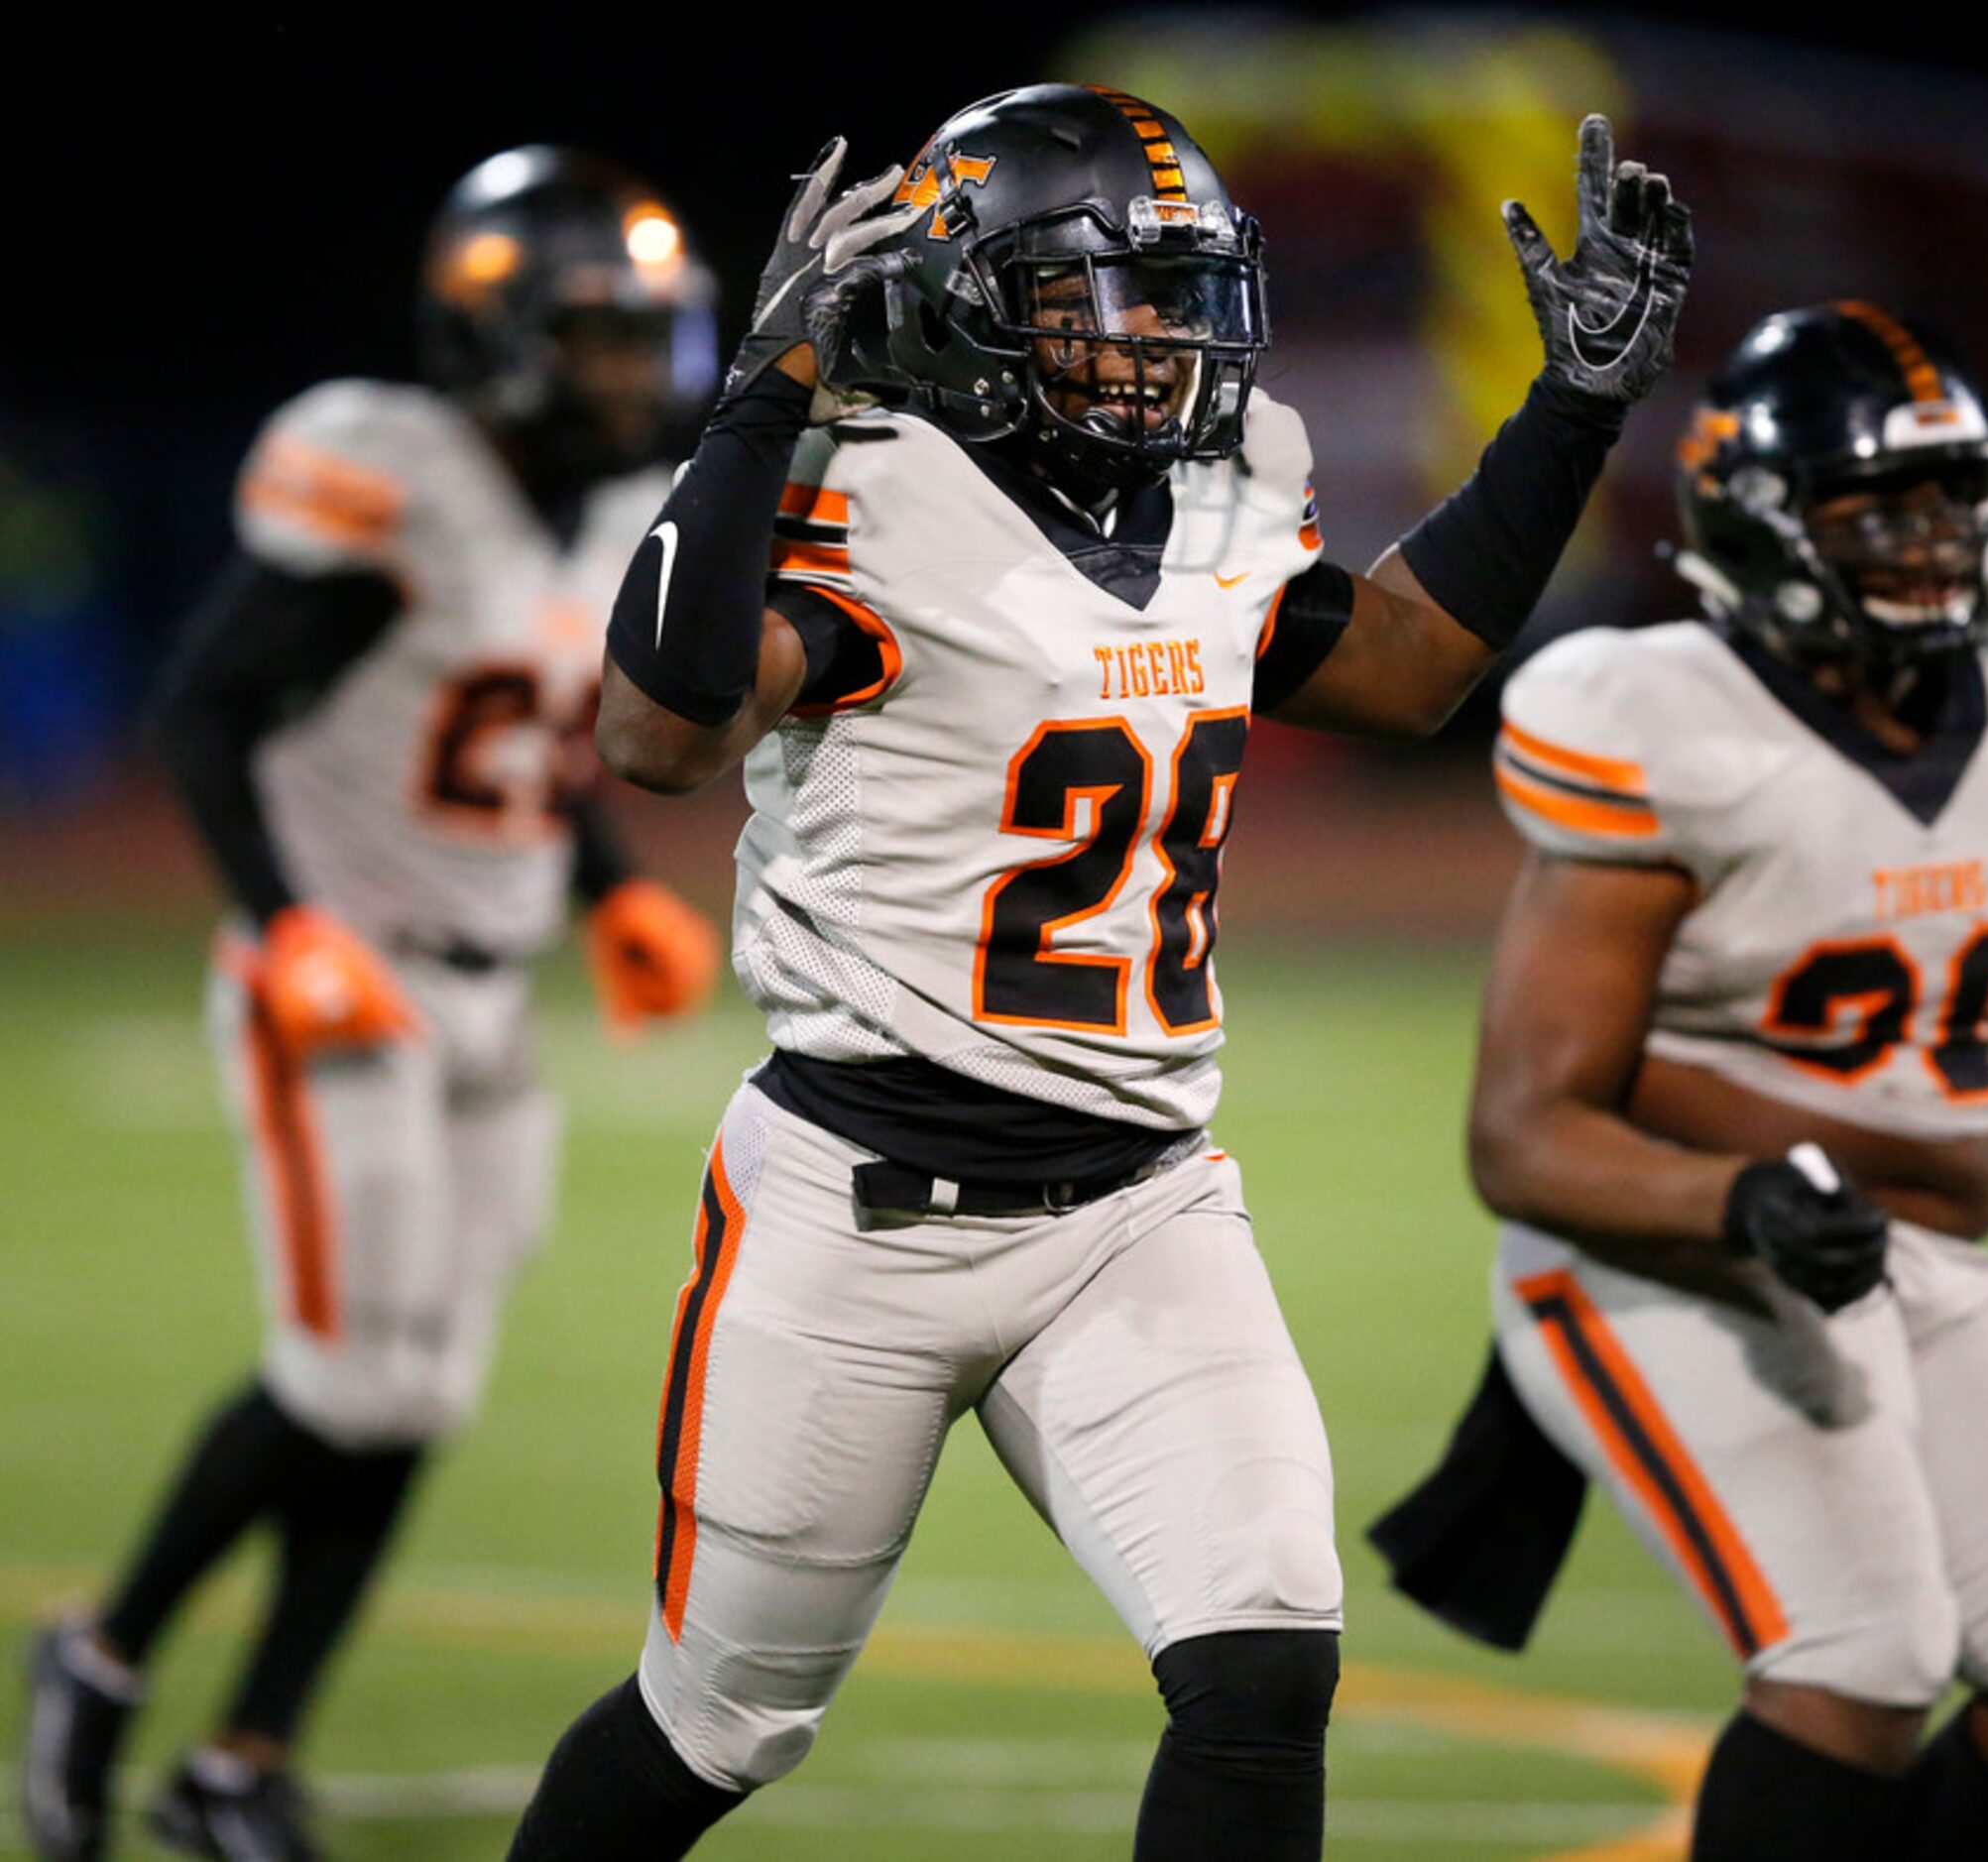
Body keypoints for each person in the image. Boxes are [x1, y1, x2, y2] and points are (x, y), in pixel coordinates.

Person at [500, 83, 1690, 1859]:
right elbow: (663, 732)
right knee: (719, 1725)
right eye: (1096, 302)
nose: (1155, 349)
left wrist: (1573, 409)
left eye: (1177, 297)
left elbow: (1404, 666)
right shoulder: (872, 491)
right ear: (969, 304)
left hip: (1136, 1206)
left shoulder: (1227, 496)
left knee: (1262, 1672)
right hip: (855, 1213)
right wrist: (765, 398)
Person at [1370, 303, 1988, 1862]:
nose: (1930, 543)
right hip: (1660, 1253)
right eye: (1875, 511)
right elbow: (1524, 1129)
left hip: (1920, 1253)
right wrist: (1733, 1199)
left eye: (1952, 500)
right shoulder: (1663, 718)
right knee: (1856, 1655)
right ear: (1762, 529)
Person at [18, 147, 724, 1862]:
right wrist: (282, 924)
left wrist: (611, 884)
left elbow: (531, 741)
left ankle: (245, 1754)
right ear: (494, 334)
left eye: (649, 339)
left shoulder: (619, 506)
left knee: (423, 1393)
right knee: (347, 1383)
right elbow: (200, 711)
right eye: (598, 338)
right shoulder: (390, 473)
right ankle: (98, 1662)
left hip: (490, 995)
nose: (634, 374)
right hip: (343, 976)